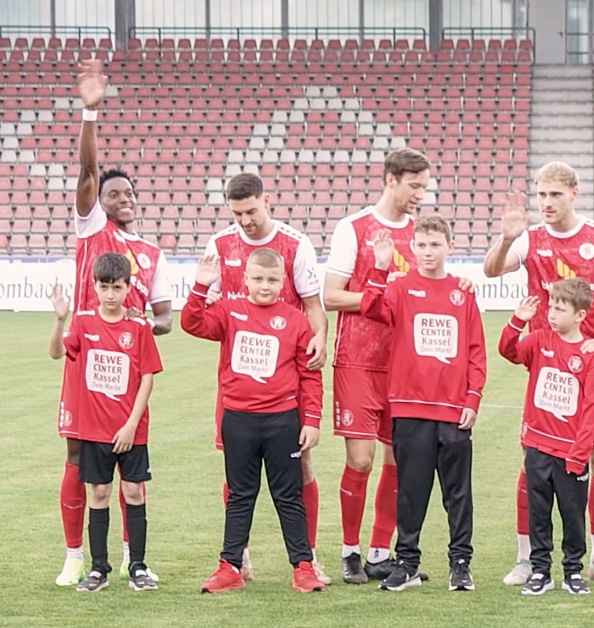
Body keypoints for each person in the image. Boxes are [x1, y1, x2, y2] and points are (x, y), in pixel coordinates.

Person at [54, 58, 173, 588]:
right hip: (85, 354)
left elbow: (166, 319)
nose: (120, 200)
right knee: (79, 454)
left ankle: (132, 556)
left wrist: (142, 326)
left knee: (132, 467)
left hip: (127, 357)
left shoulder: (152, 252)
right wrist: (89, 114)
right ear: (97, 205)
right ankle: (76, 554)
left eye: (127, 194)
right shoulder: (93, 233)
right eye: (111, 195)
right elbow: (86, 173)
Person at [485, 162, 594, 586]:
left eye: (555, 194)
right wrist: (507, 237)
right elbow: (492, 269)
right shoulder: (531, 239)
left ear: (574, 193)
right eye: (541, 195)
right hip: (548, 369)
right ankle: (525, 558)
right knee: (533, 461)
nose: (546, 203)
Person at [202, 171, 327, 581]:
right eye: (237, 213)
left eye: (251, 211)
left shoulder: (295, 244)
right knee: (236, 473)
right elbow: (206, 312)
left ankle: (308, 555)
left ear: (266, 200)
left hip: (286, 378)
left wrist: (319, 338)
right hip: (239, 378)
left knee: (300, 469)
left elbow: (312, 303)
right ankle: (240, 557)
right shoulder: (220, 245)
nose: (245, 221)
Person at [183, 247, 326, 594]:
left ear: (283, 282)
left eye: (273, 280)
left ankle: (303, 567)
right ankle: (230, 566)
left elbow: (310, 375)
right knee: (240, 495)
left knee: (288, 495)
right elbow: (193, 323)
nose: (265, 286)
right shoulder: (230, 311)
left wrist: (312, 420)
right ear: (245, 279)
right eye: (258, 278)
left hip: (282, 421)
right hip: (238, 419)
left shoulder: (295, 320)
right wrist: (200, 287)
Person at [357, 216, 485, 592]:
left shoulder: (463, 292)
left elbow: (476, 351)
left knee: (457, 493)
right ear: (412, 248)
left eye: (435, 244)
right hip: (410, 408)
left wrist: (472, 398)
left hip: (453, 409)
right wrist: (380, 267)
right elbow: (371, 308)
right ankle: (408, 563)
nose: (428, 252)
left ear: (450, 246)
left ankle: (460, 564)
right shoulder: (400, 288)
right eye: (422, 245)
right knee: (411, 491)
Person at [325, 147, 434, 583]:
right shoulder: (354, 229)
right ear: (391, 179)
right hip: (358, 360)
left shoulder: (421, 233)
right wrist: (382, 298)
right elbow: (332, 296)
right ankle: (350, 550)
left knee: (399, 460)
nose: (420, 195)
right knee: (363, 458)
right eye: (414, 185)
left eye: (424, 187)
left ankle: (377, 552)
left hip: (404, 365)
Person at [50, 251, 162, 593]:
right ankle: (99, 569)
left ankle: (138, 565)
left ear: (128, 288)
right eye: (104, 287)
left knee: (132, 492)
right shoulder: (83, 323)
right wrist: (59, 319)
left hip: (131, 428)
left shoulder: (138, 327)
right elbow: (57, 353)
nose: (110, 294)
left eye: (117, 287)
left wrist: (131, 424)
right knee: (99, 492)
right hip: (94, 428)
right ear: (94, 287)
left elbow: (147, 377)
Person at [497, 280, 594, 597]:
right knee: (538, 512)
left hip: (570, 452)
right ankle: (540, 570)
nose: (552, 313)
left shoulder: (589, 355)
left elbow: (591, 408)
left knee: (573, 514)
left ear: (580, 315)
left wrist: (580, 451)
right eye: (551, 306)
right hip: (537, 447)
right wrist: (517, 320)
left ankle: (573, 570)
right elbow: (507, 351)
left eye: (561, 308)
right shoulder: (539, 340)